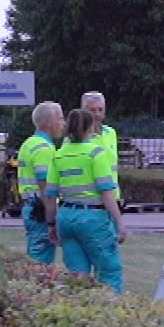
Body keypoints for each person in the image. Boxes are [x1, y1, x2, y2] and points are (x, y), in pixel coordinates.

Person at [50, 106, 125, 291]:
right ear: (90, 128)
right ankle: (110, 312)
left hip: (66, 216)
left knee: (77, 275)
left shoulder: (59, 155)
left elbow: (50, 194)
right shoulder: (95, 153)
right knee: (109, 271)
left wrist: (51, 224)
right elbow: (107, 192)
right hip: (92, 217)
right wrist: (119, 221)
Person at [16, 101, 64, 264]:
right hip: (41, 211)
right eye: (60, 119)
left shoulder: (28, 144)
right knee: (41, 264)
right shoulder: (44, 148)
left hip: (30, 207)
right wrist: (52, 220)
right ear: (50, 123)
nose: (63, 124)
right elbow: (46, 189)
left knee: (34, 257)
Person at [82, 90, 120, 202]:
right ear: (84, 111)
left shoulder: (111, 133)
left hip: (113, 197)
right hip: (92, 199)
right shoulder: (78, 137)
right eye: (92, 110)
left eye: (100, 109)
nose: (97, 113)